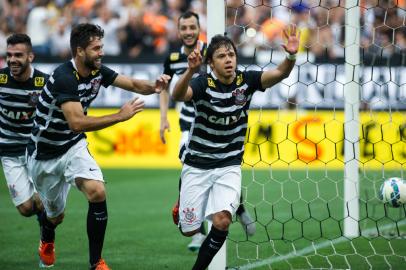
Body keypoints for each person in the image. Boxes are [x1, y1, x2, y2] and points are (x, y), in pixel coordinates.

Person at [26, 23, 170, 270]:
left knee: (97, 192)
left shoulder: (97, 71)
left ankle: (96, 263)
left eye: (101, 47)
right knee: (55, 216)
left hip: (72, 147)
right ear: (80, 51)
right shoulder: (63, 78)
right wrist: (120, 116)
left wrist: (154, 87)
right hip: (44, 155)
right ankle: (47, 235)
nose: (101, 52)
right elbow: (76, 122)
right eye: (96, 48)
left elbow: (133, 84)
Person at [171, 25, 299, 269]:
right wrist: (189, 71)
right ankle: (181, 204)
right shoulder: (202, 84)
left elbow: (281, 73)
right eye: (221, 56)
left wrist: (291, 55)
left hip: (229, 165)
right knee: (189, 231)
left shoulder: (246, 81)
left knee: (222, 222)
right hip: (197, 164)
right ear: (211, 63)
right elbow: (178, 95)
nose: (228, 60)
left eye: (231, 54)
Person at [159, 11, 256, 252]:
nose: (188, 32)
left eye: (193, 27)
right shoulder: (172, 57)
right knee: (188, 159)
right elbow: (165, 88)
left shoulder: (211, 52)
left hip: (216, 120)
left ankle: (237, 208)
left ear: (199, 28)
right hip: (188, 120)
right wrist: (163, 117)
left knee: (224, 164)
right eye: (184, 28)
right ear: (179, 31)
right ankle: (192, 221)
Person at [0, 34, 48, 227]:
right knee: (26, 208)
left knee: (42, 202)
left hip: (36, 151)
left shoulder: (44, 82)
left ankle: (46, 241)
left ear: (30, 57)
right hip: (9, 151)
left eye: (18, 55)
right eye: (9, 55)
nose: (12, 59)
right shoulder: (1, 79)